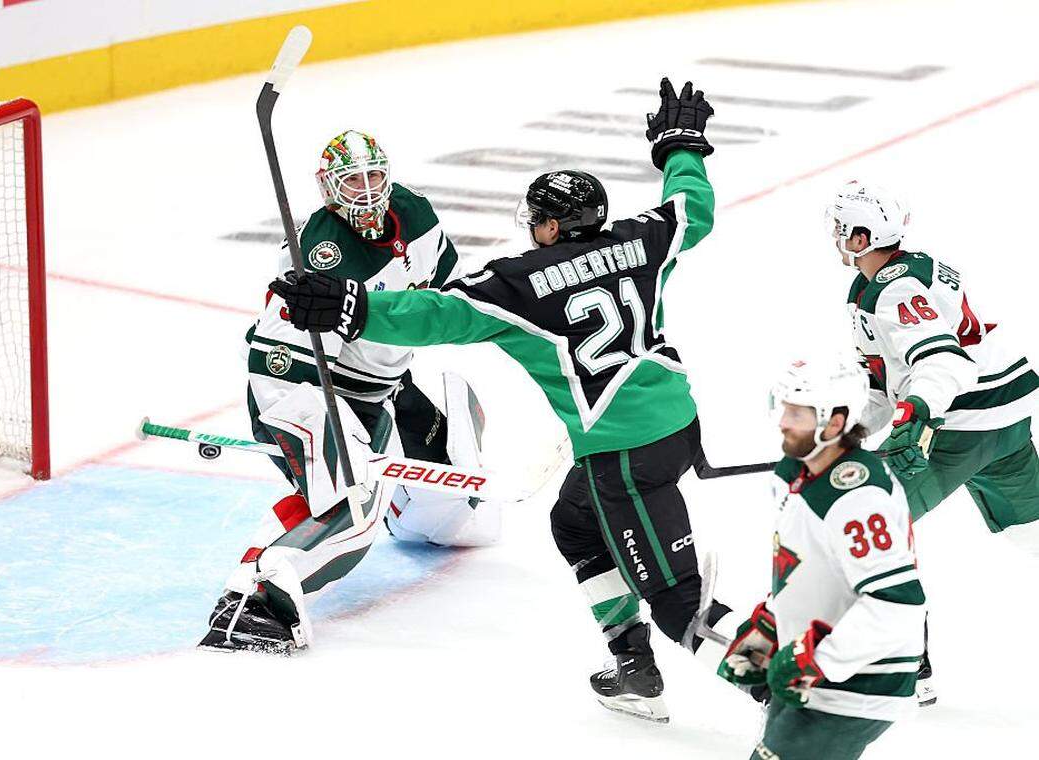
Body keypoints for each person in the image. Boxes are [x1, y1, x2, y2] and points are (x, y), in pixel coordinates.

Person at [274, 79, 738, 721]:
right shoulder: (644, 240)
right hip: (676, 424)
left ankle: (786, 689)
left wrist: (352, 307)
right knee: (574, 521)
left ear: (549, 226)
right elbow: (691, 208)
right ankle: (634, 665)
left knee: (679, 603)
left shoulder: (518, 284)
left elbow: (435, 313)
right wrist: (680, 146)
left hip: (625, 452)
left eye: (537, 220)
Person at [200, 130, 499, 655]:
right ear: (328, 189)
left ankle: (406, 511)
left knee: (459, 512)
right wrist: (322, 439)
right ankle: (254, 599)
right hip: (308, 389)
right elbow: (277, 364)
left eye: (373, 176)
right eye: (351, 181)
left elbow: (449, 294)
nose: (366, 190)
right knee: (350, 505)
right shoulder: (319, 256)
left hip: (386, 387)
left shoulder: (415, 212)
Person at [830, 181, 1039, 698]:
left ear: (862, 237)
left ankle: (902, 665)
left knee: (866, 520)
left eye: (841, 228)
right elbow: (888, 384)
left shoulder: (894, 289)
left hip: (961, 424)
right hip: (1004, 415)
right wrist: (852, 435)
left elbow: (942, 360)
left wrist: (920, 412)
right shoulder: (892, 277)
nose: (834, 236)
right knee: (1032, 529)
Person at [719, 357, 927, 760]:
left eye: (797, 414)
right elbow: (807, 570)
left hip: (859, 684)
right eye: (784, 409)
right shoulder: (797, 475)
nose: (783, 422)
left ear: (834, 423)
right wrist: (769, 627)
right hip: (815, 680)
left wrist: (817, 659)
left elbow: (897, 605)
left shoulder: (858, 497)